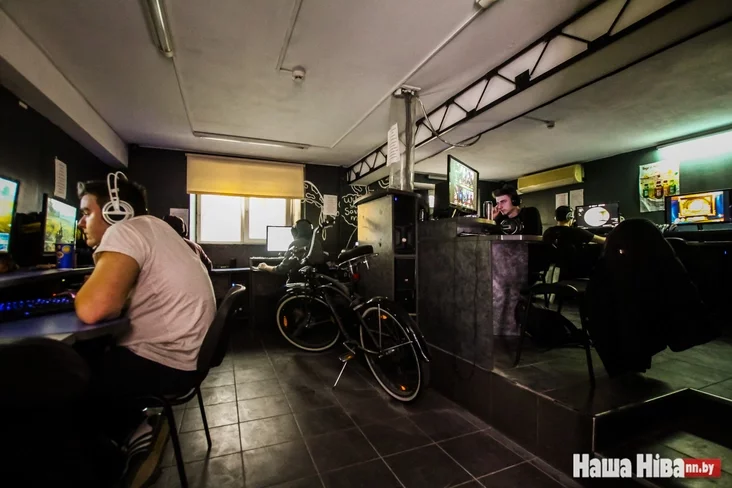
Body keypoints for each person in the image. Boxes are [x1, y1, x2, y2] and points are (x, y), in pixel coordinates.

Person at [74, 172, 216, 486]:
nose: (81, 223)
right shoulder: (159, 230)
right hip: (189, 360)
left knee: (65, 375)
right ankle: (133, 428)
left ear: (116, 211)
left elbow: (93, 308)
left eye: (86, 213)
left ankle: (121, 444)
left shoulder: (125, 231)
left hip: (166, 365)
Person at [583, 219, 719, 376]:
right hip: (662, 327)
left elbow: (595, 307)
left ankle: (628, 363)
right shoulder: (667, 265)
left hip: (622, 334)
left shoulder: (608, 268)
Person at [257, 219, 325, 278]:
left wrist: (265, 267)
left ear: (294, 232)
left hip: (297, 282)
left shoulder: (295, 244)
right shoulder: (316, 243)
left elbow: (281, 269)